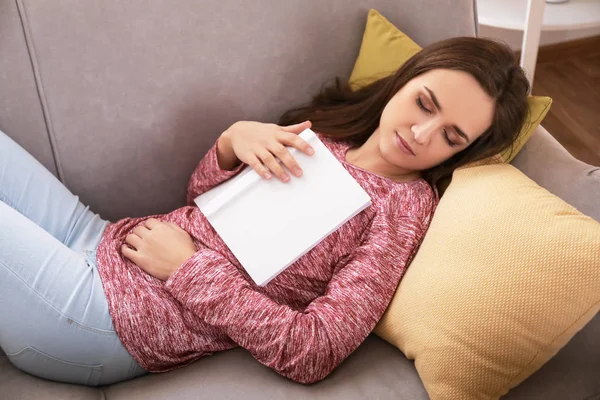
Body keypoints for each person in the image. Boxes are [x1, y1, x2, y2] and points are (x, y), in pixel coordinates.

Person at [0, 37, 529, 386]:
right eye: (425, 103)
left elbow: (314, 350)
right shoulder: (331, 137)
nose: (421, 134)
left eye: (451, 137)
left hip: (103, 320)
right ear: (407, 80)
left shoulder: (401, 215)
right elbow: (204, 208)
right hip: (95, 238)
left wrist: (188, 270)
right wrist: (231, 144)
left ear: (462, 153)